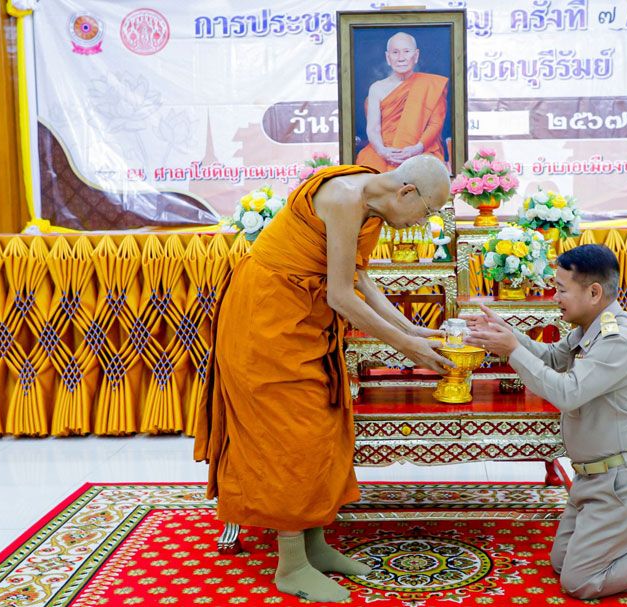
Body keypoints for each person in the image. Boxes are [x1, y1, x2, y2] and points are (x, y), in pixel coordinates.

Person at [194, 155, 454, 603]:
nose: (422, 223)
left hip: (304, 315)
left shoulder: (373, 198)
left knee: (323, 425)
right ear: (406, 193)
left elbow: (359, 279)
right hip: (266, 315)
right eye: (427, 213)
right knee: (290, 433)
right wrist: (404, 347)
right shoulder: (345, 196)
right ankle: (291, 565)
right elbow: (340, 295)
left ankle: (315, 545)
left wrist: (413, 330)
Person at [464, 244, 627, 599]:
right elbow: (552, 357)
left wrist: (512, 351)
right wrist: (509, 334)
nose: (555, 297)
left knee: (580, 581)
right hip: (593, 479)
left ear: (594, 292)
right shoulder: (589, 328)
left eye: (562, 289)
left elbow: (566, 392)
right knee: (563, 561)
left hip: (623, 482)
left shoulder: (617, 339)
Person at [355, 32, 448, 172]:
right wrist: (382, 151)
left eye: (406, 52)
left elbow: (435, 124)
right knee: (370, 172)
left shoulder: (431, 85)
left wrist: (416, 149)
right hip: (383, 149)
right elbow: (373, 128)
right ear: (388, 57)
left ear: (416, 56)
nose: (401, 58)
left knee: (426, 174)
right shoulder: (377, 88)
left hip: (420, 148)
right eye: (395, 52)